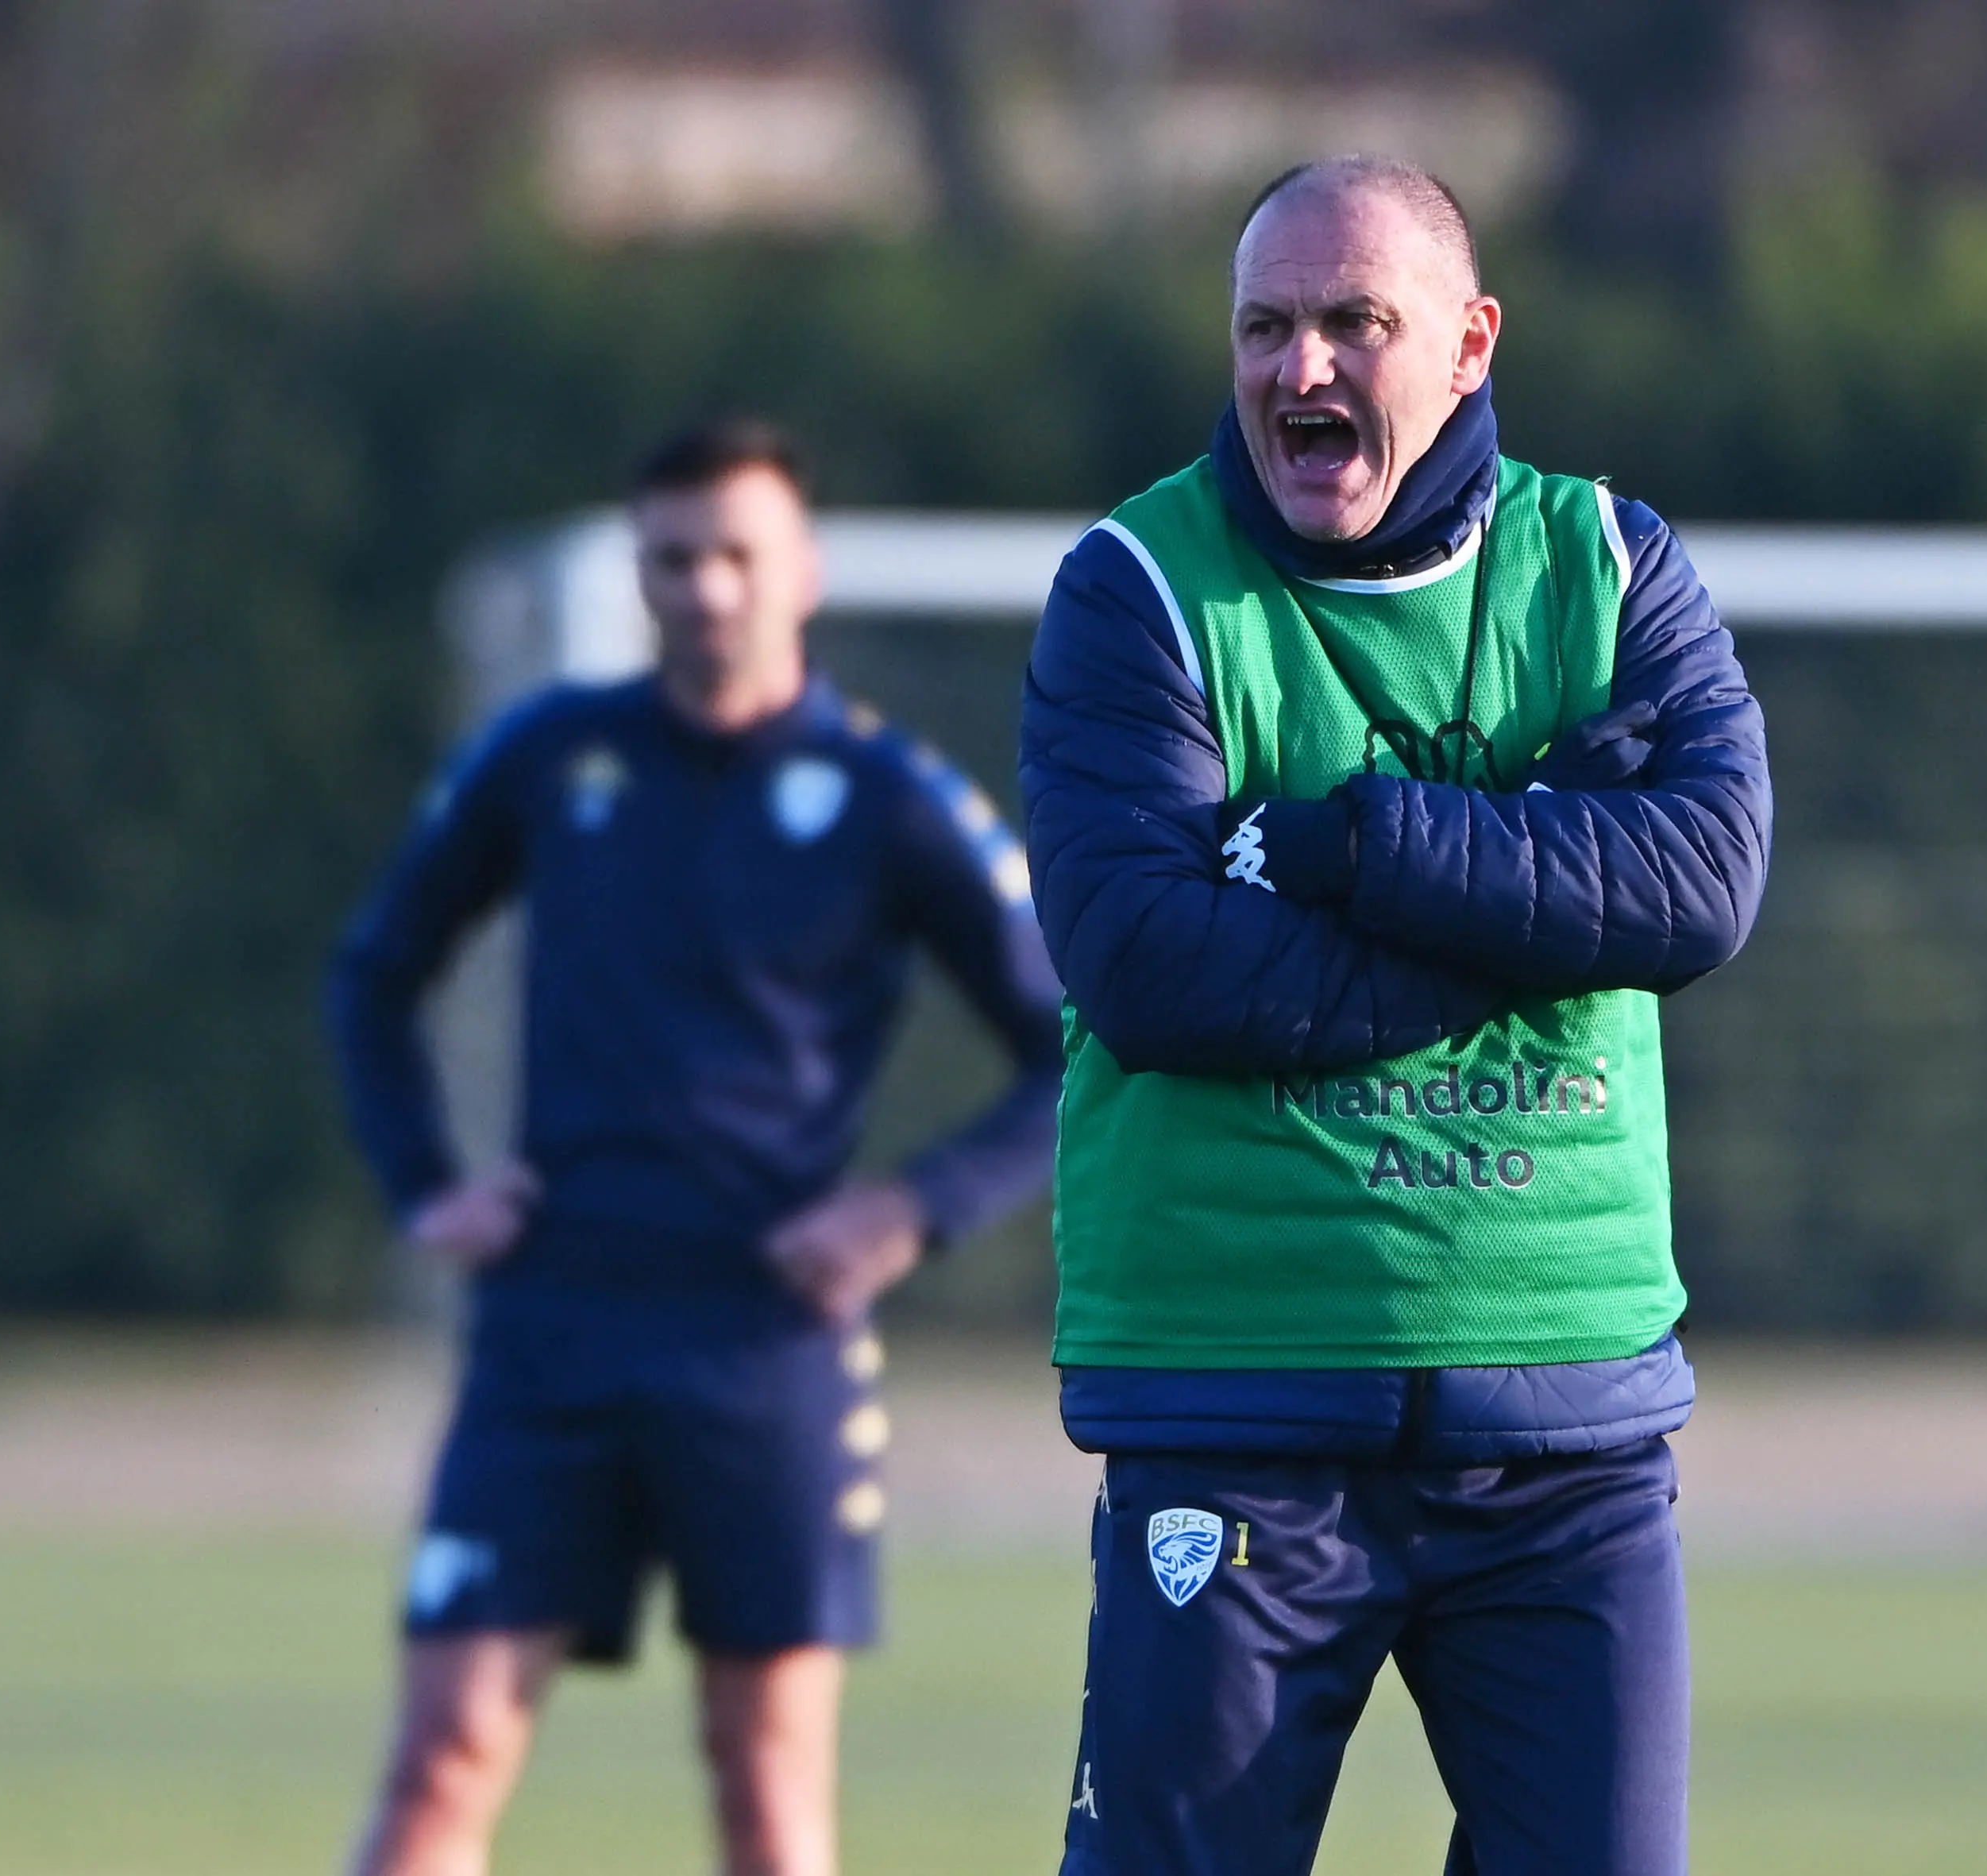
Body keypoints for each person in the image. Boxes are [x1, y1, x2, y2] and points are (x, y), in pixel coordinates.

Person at [1021, 156, 1772, 1876]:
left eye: (1355, 322)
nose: (1302, 371)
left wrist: (1348, 842)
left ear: (1469, 341)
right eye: (1265, 327)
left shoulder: (1610, 564)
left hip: (1565, 1425)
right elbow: (1151, 965)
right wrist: (1534, 904)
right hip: (1236, 1400)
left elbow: (1706, 883)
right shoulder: (1135, 594)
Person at [328, 417, 1065, 1876]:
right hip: (555, 1318)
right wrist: (427, 1180)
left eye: (737, 554)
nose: (707, 587)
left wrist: (911, 1208)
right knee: (446, 1749)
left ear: (801, 571)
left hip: (766, 1338)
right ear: (641, 573)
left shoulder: (886, 797)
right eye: (674, 558)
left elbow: (1073, 1050)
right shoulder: (553, 756)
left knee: (766, 1780)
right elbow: (376, 969)